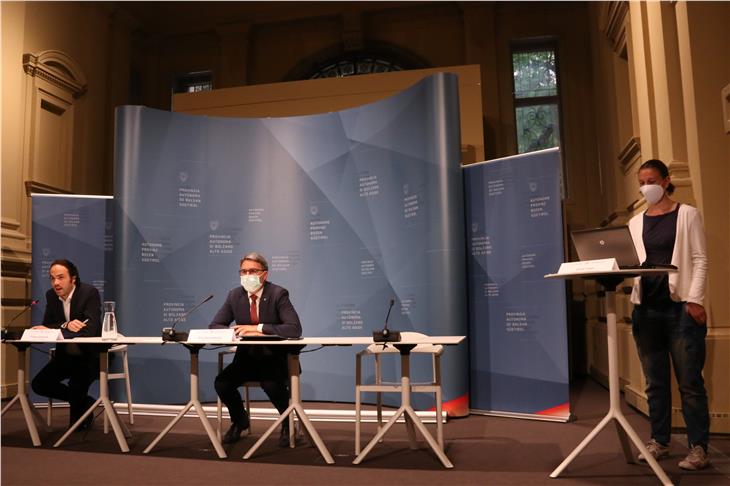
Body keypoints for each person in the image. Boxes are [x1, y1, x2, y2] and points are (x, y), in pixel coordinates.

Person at [628, 159, 710, 470]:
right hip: (646, 310)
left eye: (651, 180)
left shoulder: (686, 214)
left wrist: (695, 299)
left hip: (679, 310)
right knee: (655, 382)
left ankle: (698, 446)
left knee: (689, 381)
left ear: (665, 181)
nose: (645, 186)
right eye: (642, 181)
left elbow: (700, 259)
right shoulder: (636, 222)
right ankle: (659, 440)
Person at [209, 252, 302, 446]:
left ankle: (287, 423)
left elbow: (294, 329)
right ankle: (240, 420)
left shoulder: (278, 294)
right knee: (222, 383)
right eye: (243, 271)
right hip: (247, 359)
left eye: (252, 271)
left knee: (270, 384)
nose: (247, 275)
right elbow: (215, 325)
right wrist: (232, 333)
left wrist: (258, 328)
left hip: (275, 359)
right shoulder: (235, 295)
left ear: (264, 274)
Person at [31, 259, 102, 431]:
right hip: (66, 357)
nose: (56, 283)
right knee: (39, 384)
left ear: (73, 279)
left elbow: (91, 329)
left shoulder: (88, 293)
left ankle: (79, 420)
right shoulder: (51, 296)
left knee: (76, 385)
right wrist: (65, 325)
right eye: (52, 278)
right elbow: (47, 325)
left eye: (60, 277)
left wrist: (62, 327)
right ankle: (86, 402)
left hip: (91, 357)